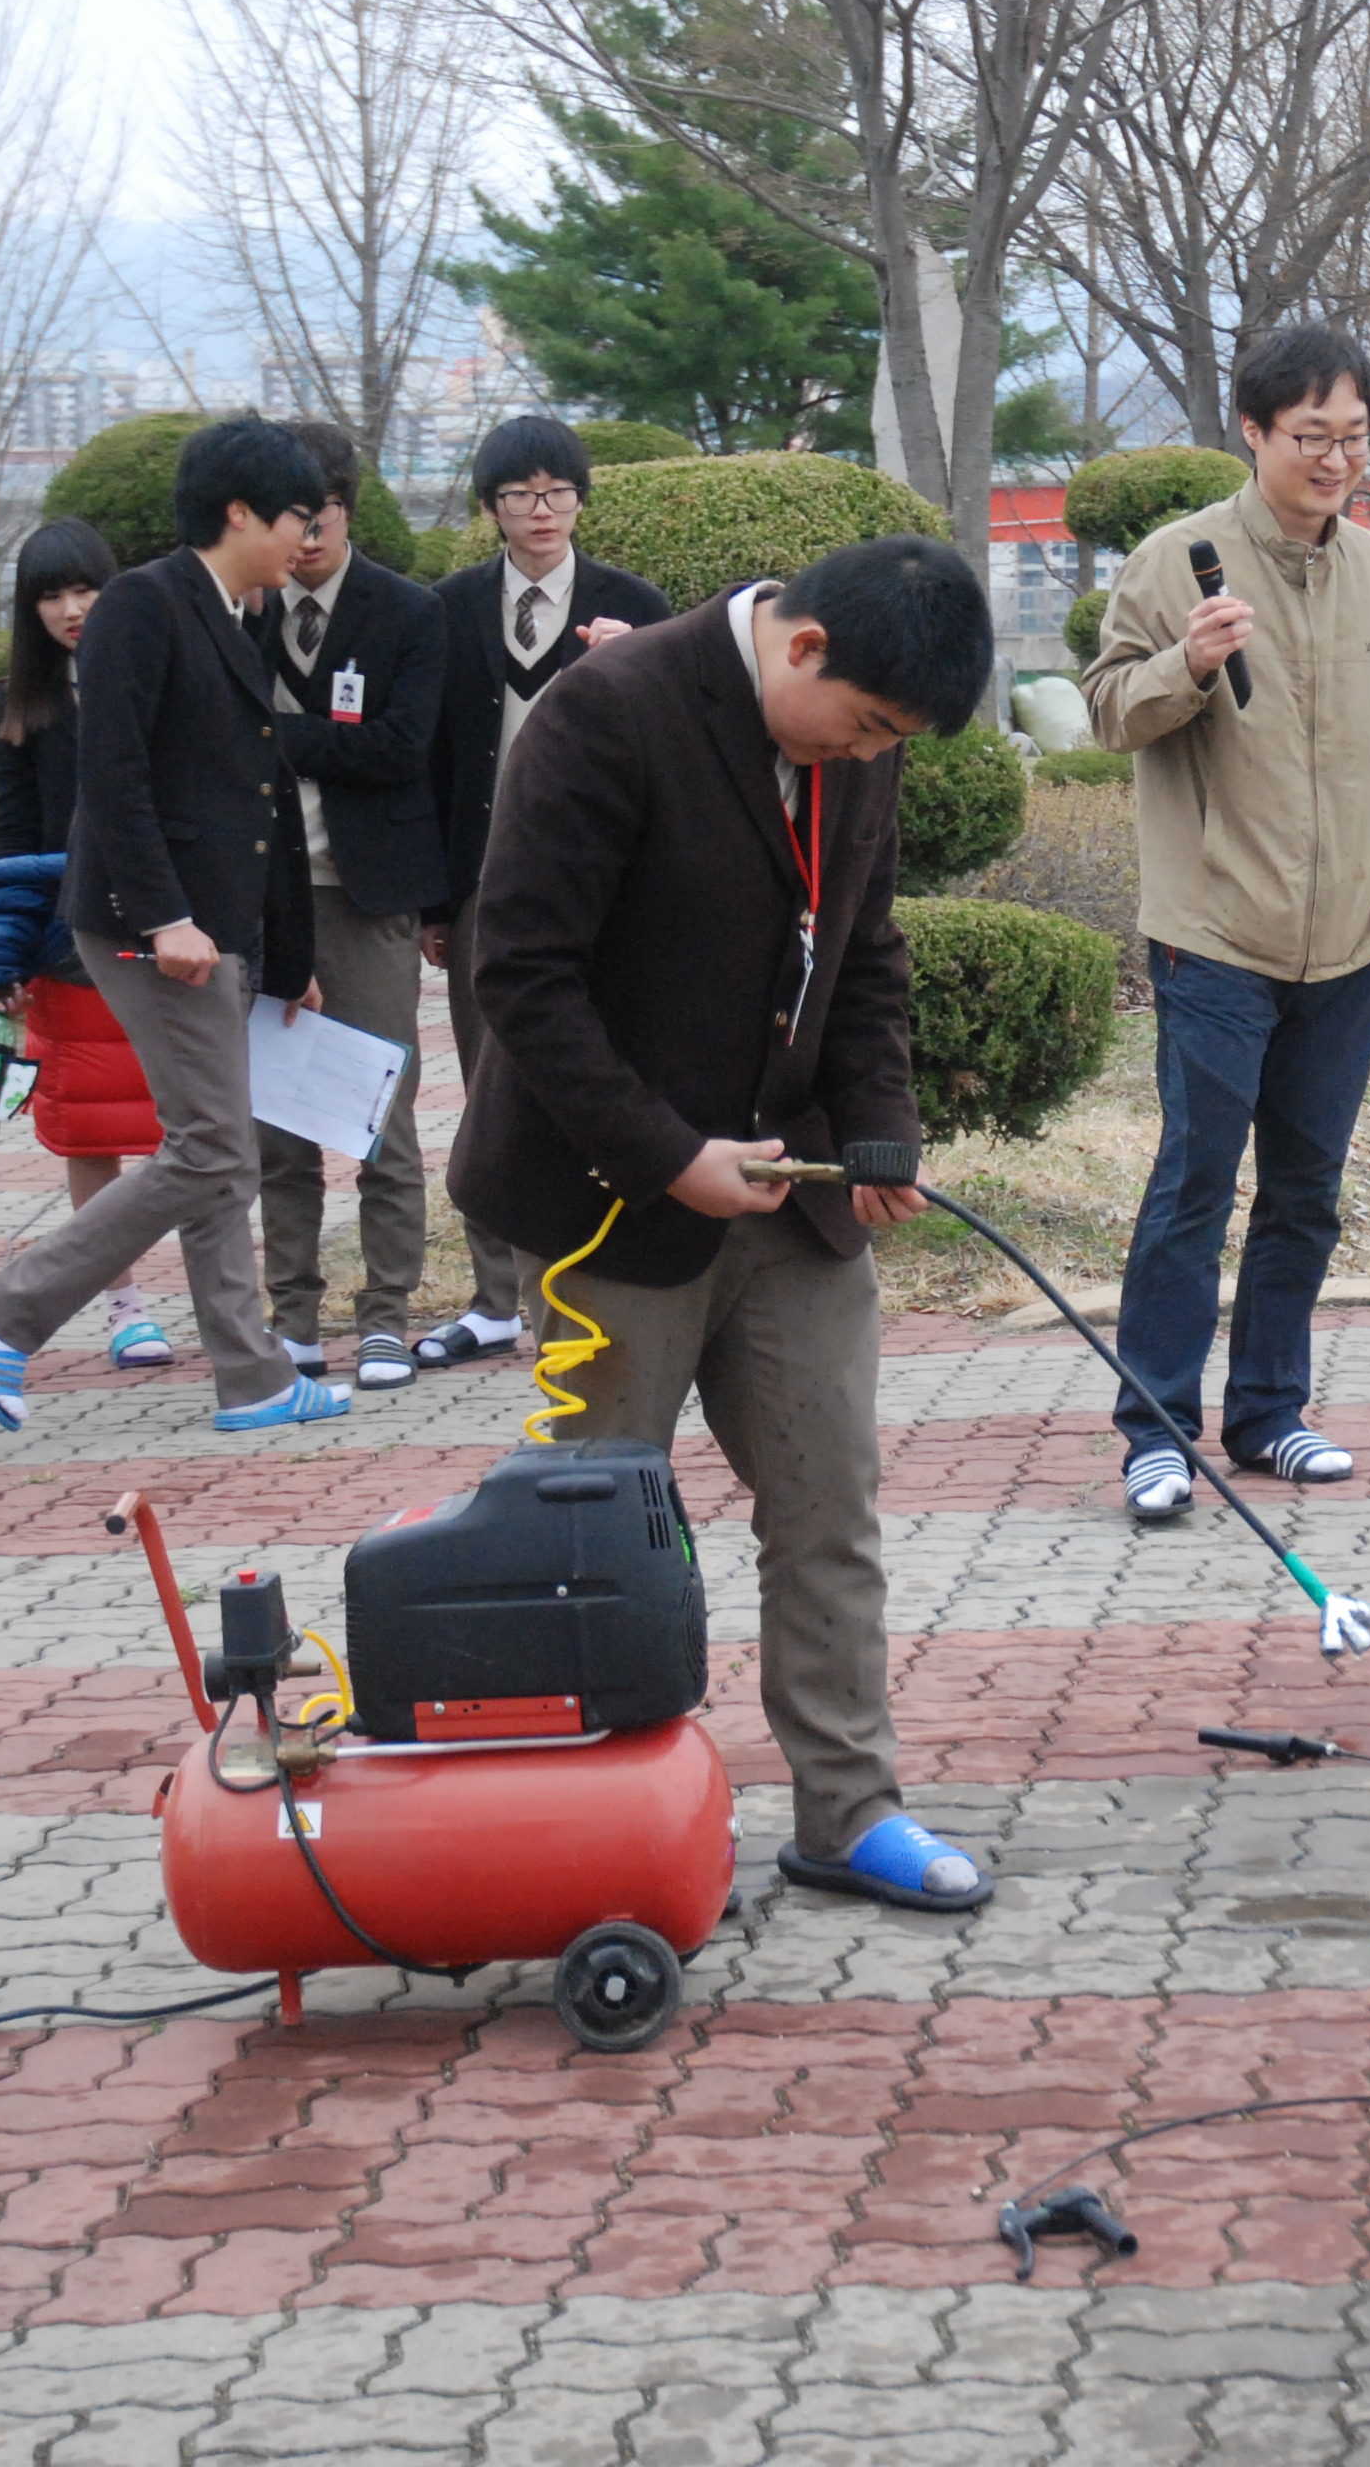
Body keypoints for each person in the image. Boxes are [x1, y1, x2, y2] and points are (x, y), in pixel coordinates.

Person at [448, 535, 994, 1914]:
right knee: (601, 1533)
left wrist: (878, 1126)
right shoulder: (609, 712)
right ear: (803, 648)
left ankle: (847, 1810)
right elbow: (518, 970)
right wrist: (663, 1154)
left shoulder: (856, 743)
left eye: (892, 740)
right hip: (605, 1206)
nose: (869, 754)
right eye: (865, 724)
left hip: (791, 1204)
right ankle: (601, 1828)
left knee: (829, 1509)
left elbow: (865, 946)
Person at [1080, 322, 1370, 1524]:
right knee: (1195, 1178)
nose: (1334, 460)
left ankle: (1271, 1413)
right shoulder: (1176, 559)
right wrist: (1184, 664)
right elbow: (1106, 713)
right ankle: (1156, 1427)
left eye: (1352, 438)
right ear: (1251, 431)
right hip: (1214, 929)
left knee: (1307, 1186)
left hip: (1352, 934)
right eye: (1309, 437)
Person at [0, 416, 343, 1433]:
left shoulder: (230, 611)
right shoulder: (141, 605)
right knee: (213, 1150)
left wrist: (287, 957)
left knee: (210, 1151)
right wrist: (165, 916)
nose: (307, 536)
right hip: (142, 927)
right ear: (240, 511)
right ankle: (2, 1311)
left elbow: (255, 798)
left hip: (216, 930)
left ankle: (251, 1380)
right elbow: (109, 778)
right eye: (296, 516)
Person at [421, 415, 670, 1373]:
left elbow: (680, 734)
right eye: (520, 494)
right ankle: (495, 1296)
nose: (541, 511)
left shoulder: (634, 606)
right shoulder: (448, 611)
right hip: (486, 884)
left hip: (604, 884)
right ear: (490, 507)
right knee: (490, 1083)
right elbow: (435, 763)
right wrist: (436, 902)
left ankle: (595, 1273)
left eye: (558, 491)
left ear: (580, 499)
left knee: (599, 1068)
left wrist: (627, 656)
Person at [253, 419, 451, 1394]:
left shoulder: (405, 613)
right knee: (276, 1125)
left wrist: (278, 736)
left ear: (347, 512)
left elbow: (401, 750)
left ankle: (385, 1316)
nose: (306, 540)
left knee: (382, 1116)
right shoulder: (238, 613)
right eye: (291, 520)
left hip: (369, 898)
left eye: (321, 517)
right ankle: (290, 1316)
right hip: (265, 902)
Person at [0, 517, 174, 1368]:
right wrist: (3, 949)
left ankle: (225, 1298)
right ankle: (125, 1305)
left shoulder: (160, 673)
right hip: (68, 946)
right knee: (93, 1131)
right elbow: (10, 837)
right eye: (50, 596)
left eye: (83, 589)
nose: (70, 610)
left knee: (191, 1130)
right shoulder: (25, 702)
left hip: (173, 932)